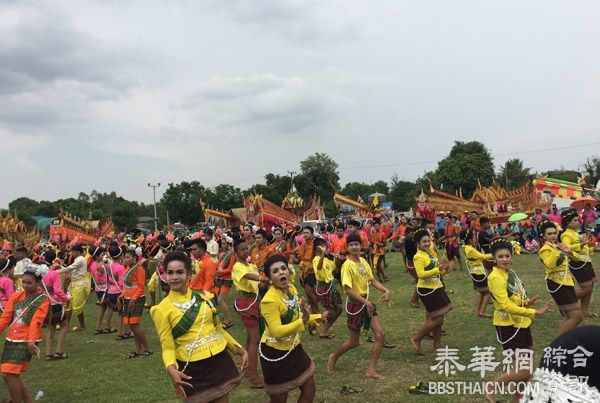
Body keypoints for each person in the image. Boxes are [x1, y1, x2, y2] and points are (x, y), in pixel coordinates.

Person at [150, 251, 248, 402]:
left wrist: (240, 350)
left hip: (218, 361)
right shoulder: (161, 310)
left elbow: (219, 330)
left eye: (180, 272)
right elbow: (167, 347)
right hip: (191, 369)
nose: (174, 277)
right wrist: (171, 370)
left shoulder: (205, 297)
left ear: (189, 273)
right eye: (170, 273)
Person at [486, 238, 551, 403]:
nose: (505, 259)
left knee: (527, 370)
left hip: (521, 323)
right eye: (500, 256)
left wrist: (525, 302)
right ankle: (492, 387)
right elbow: (504, 305)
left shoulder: (510, 273)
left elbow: (512, 298)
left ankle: (517, 400)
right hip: (508, 326)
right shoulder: (495, 277)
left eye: (507, 255)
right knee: (525, 371)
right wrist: (534, 311)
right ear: (494, 258)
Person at [327, 233, 392, 380]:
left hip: (366, 303)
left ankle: (371, 370)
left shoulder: (363, 261)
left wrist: (386, 290)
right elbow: (348, 289)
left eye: (356, 244)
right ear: (348, 247)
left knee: (380, 335)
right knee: (354, 342)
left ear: (360, 245)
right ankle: (334, 356)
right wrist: (366, 302)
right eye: (351, 245)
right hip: (355, 305)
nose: (355, 247)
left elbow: (372, 280)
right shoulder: (347, 266)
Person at [259, 255, 322, 402]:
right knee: (279, 398)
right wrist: (303, 320)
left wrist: (319, 317)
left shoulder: (291, 289)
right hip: (274, 353)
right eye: (275, 271)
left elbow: (299, 317)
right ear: (269, 277)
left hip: (294, 347)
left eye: (283, 268)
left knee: (309, 386)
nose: (281, 272)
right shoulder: (269, 301)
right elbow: (277, 331)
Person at [0, 263, 50, 403]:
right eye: (24, 282)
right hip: (12, 338)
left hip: (27, 340)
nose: (26, 285)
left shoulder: (43, 300)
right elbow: (5, 317)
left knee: (9, 374)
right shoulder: (17, 296)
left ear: (38, 282)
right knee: (9, 375)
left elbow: (36, 321)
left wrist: (32, 341)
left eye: (30, 283)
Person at [410, 229, 453, 355]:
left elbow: (438, 271)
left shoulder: (431, 254)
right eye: (424, 241)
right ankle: (416, 338)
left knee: (440, 318)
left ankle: (437, 346)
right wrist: (438, 270)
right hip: (427, 290)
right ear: (418, 243)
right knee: (437, 319)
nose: (427, 243)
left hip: (437, 287)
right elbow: (421, 275)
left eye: (428, 241)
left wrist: (446, 270)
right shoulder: (418, 257)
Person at [537, 220, 583, 335]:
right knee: (576, 316)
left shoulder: (559, 246)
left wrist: (569, 252)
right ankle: (559, 343)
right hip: (556, 283)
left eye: (554, 233)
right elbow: (550, 264)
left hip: (567, 282)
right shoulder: (545, 249)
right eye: (549, 234)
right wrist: (557, 251)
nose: (553, 236)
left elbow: (578, 259)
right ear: (544, 236)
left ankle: (563, 341)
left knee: (569, 316)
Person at [232, 238, 264, 388]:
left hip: (254, 300)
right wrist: (263, 277)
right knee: (255, 338)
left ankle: (246, 367)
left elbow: (258, 283)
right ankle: (253, 375)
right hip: (246, 302)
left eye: (247, 248)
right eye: (242, 249)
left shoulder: (251, 265)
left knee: (251, 337)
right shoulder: (238, 266)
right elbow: (248, 277)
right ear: (236, 252)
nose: (246, 251)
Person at [560, 209, 597, 317]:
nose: (578, 222)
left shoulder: (575, 233)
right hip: (577, 263)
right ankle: (566, 303)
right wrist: (581, 244)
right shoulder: (566, 234)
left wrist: (592, 248)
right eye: (575, 220)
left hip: (586, 261)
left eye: (578, 220)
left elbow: (583, 248)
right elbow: (567, 248)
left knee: (590, 287)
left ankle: (584, 311)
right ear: (568, 222)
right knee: (586, 288)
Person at [120, 249, 151, 358]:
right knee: (132, 325)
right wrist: (122, 296)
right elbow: (127, 286)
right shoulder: (128, 268)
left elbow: (141, 287)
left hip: (136, 299)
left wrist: (133, 299)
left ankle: (147, 348)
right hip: (127, 299)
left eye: (128, 257)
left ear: (134, 258)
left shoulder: (139, 269)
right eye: (125, 257)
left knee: (134, 324)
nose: (125, 259)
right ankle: (139, 349)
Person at [40, 250, 70, 361]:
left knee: (50, 328)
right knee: (64, 325)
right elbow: (58, 291)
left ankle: (48, 353)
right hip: (55, 303)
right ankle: (59, 351)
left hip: (45, 303)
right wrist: (66, 299)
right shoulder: (54, 274)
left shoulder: (40, 274)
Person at [312, 238, 341, 339]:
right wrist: (323, 254)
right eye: (324, 247)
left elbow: (334, 267)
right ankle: (313, 321)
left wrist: (337, 258)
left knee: (338, 310)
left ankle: (323, 331)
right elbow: (319, 268)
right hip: (323, 288)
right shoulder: (316, 259)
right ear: (317, 249)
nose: (327, 248)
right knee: (332, 312)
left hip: (329, 287)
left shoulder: (327, 260)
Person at [58, 245, 90, 331]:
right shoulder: (78, 260)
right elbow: (70, 269)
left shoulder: (80, 260)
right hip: (74, 283)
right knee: (68, 304)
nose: (71, 253)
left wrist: (56, 271)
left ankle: (82, 326)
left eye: (72, 252)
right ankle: (65, 325)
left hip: (79, 284)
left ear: (77, 252)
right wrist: (60, 267)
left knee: (77, 307)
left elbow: (69, 268)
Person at [461, 229, 492, 317]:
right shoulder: (470, 249)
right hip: (478, 273)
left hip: (476, 272)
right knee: (487, 292)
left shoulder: (467, 248)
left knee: (481, 292)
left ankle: (478, 311)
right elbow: (482, 256)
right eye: (473, 237)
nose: (475, 238)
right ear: (469, 239)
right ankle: (482, 311)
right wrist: (494, 253)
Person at [294, 226, 319, 334]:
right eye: (303, 233)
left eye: (307, 233)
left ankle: (317, 314)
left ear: (312, 234)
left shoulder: (315, 245)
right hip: (303, 273)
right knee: (309, 297)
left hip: (312, 273)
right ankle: (313, 321)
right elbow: (299, 259)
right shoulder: (302, 245)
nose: (305, 235)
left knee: (312, 296)